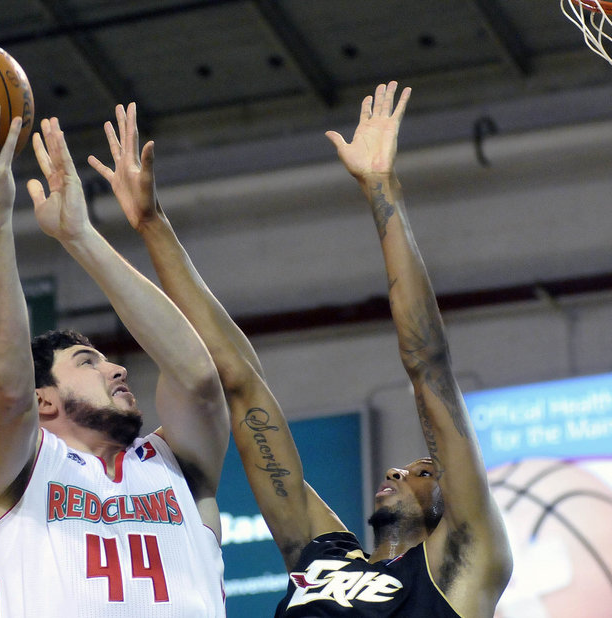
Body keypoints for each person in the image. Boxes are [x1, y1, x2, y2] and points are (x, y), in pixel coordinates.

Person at [91, 84, 513, 616]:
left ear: (456, 502)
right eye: (407, 468)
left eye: (424, 472)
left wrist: (382, 187)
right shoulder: (324, 556)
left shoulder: (466, 561)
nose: (397, 473)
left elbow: (426, 365)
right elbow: (241, 386)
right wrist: (152, 225)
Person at [0, 101, 229, 616]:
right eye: (87, 362)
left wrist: (81, 237)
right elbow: (4, 393)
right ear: (45, 400)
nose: (117, 368)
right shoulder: (25, 469)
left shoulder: (178, 467)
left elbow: (198, 379)